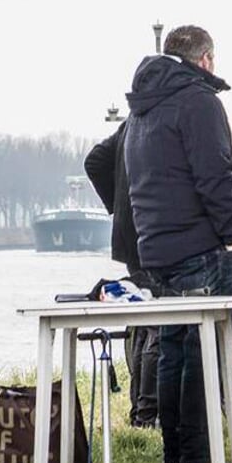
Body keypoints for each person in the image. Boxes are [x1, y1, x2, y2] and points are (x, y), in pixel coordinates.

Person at [124, 24, 232, 463]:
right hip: (198, 244)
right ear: (206, 59)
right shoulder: (198, 101)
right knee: (200, 349)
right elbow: (216, 173)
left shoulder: (142, 109)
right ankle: (198, 456)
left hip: (155, 245)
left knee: (174, 346)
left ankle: (174, 455)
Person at [83, 119, 157, 430]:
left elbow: (94, 160)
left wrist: (118, 205)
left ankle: (139, 407)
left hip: (128, 234)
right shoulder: (158, 122)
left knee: (141, 320)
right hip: (154, 231)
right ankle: (147, 411)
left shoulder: (129, 124)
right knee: (158, 324)